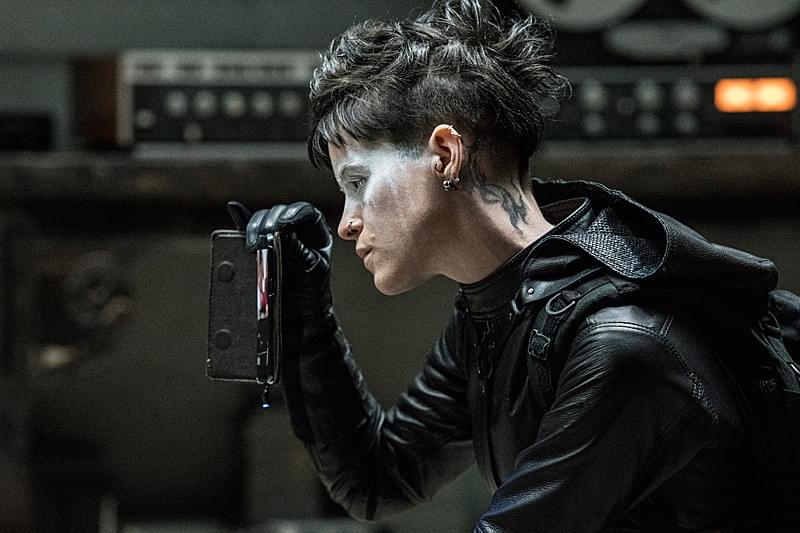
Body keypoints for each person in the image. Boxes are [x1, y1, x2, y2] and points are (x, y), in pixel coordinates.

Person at [237, 0, 779, 530]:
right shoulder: (498, 314)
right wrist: (304, 306)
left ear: (445, 154)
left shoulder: (621, 344)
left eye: (358, 183)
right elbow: (377, 479)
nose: (346, 224)